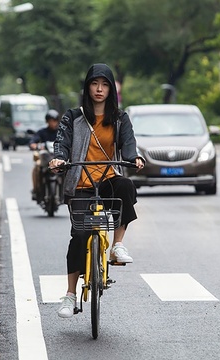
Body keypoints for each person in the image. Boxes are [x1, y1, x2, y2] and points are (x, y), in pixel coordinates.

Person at [49, 63, 145, 318]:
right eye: (94, 83)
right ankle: (70, 295)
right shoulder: (73, 116)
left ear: (111, 89)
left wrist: (133, 156)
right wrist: (59, 159)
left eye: (104, 85)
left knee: (124, 186)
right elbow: (62, 142)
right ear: (87, 87)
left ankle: (117, 246)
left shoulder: (120, 117)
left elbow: (128, 141)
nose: (99, 89)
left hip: (107, 179)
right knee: (79, 237)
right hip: (80, 182)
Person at [29, 109, 60, 200]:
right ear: (47, 121)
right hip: (45, 158)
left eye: (54, 120)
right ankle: (35, 189)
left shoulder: (61, 132)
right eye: (51, 121)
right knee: (36, 168)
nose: (53, 123)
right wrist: (34, 145)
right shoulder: (42, 132)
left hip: (58, 158)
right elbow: (33, 140)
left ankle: (68, 190)